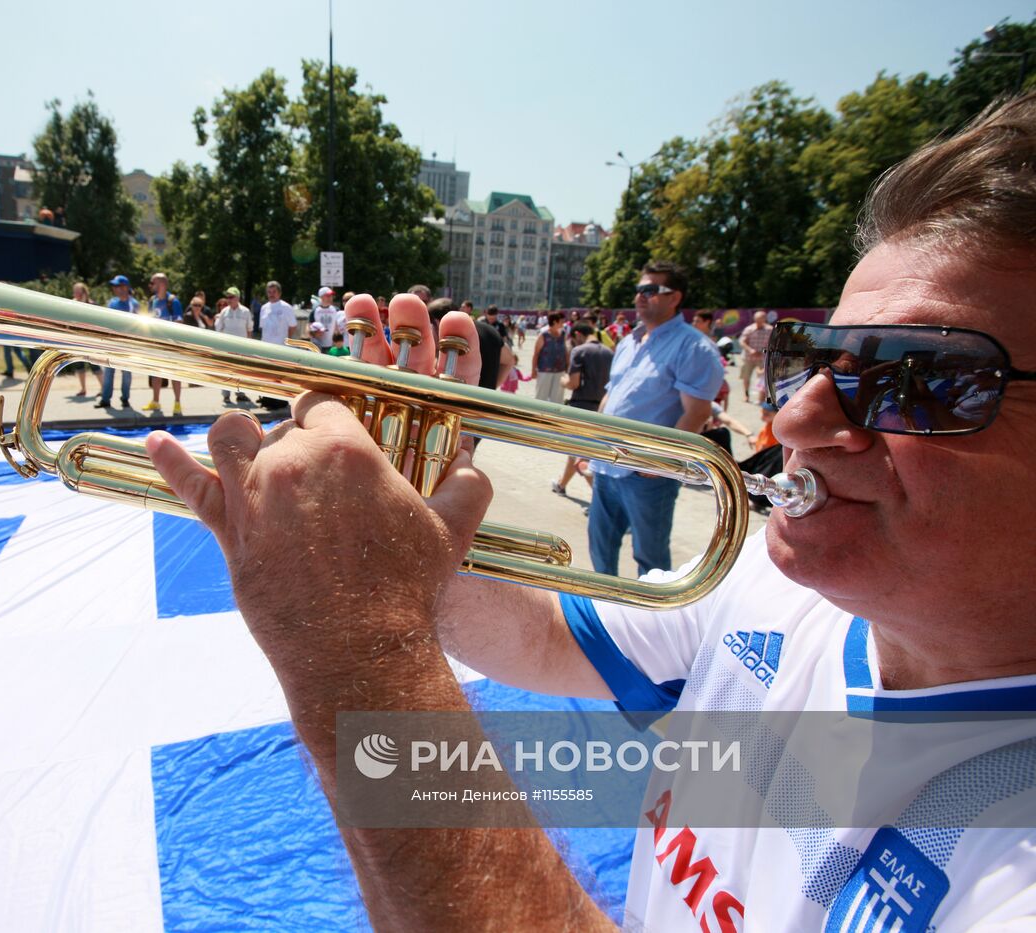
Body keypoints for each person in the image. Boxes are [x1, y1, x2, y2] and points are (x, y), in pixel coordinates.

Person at [143, 93, 1036, 931]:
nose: (796, 416)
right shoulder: (771, 582)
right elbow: (540, 639)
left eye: (921, 378)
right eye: (817, 359)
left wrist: (355, 646)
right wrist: (394, 534)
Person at [587, 261, 723, 577]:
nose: (639, 297)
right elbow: (612, 395)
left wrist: (661, 463)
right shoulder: (628, 341)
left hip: (646, 474)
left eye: (649, 290)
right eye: (638, 290)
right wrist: (589, 444)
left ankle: (648, 619)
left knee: (650, 559)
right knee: (600, 549)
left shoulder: (694, 347)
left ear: (674, 297)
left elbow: (697, 413)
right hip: (607, 464)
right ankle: (603, 611)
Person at [552, 322, 614, 496]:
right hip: (602, 407)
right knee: (577, 451)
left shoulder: (579, 351)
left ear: (578, 333)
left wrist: (563, 380)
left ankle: (600, 498)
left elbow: (574, 383)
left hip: (581, 406)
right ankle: (561, 484)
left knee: (579, 454)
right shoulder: (610, 353)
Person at [146, 272, 185, 414]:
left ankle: (177, 403)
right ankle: (156, 402)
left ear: (161, 284)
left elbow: (179, 322)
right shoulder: (152, 300)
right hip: (157, 344)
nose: (150, 285)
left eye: (152, 282)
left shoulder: (173, 301)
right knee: (155, 373)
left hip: (171, 344)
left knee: (175, 374)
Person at [96, 275, 137, 408]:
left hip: (127, 345)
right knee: (108, 371)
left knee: (126, 373)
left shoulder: (134, 304)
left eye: (117, 286)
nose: (115, 289)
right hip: (112, 343)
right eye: (114, 286)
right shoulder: (112, 303)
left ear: (125, 287)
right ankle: (105, 400)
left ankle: (125, 398)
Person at [257, 280, 297, 410]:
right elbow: (263, 328)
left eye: (274, 292)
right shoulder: (264, 308)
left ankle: (281, 401)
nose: (271, 294)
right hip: (266, 347)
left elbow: (292, 326)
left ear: (279, 293)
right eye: (269, 292)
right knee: (267, 375)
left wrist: (286, 341)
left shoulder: (286, 307)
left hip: (281, 348)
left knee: (280, 376)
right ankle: (267, 399)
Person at [213, 288, 254, 405]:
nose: (228, 299)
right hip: (227, 347)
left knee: (241, 371)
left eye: (231, 297)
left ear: (237, 298)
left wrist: (249, 346)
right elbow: (218, 328)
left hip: (242, 347)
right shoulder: (224, 312)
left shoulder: (245, 311)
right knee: (226, 371)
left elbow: (249, 329)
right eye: (228, 297)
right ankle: (226, 395)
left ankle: (240, 394)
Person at [528, 312, 569, 404]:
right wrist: (533, 370)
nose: (563, 324)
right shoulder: (543, 336)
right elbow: (536, 354)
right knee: (541, 397)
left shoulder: (562, 334)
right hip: (544, 371)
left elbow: (565, 351)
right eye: (561, 322)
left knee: (558, 398)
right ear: (555, 322)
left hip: (560, 371)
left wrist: (568, 365)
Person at [738, 311, 772, 403]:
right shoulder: (749, 329)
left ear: (765, 319)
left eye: (761, 319)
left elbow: (772, 343)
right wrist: (750, 350)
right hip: (748, 357)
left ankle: (761, 398)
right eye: (757, 320)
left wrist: (764, 351)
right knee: (746, 377)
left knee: (763, 378)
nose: (759, 321)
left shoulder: (770, 329)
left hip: (762, 357)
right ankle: (746, 395)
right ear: (754, 319)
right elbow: (742, 341)